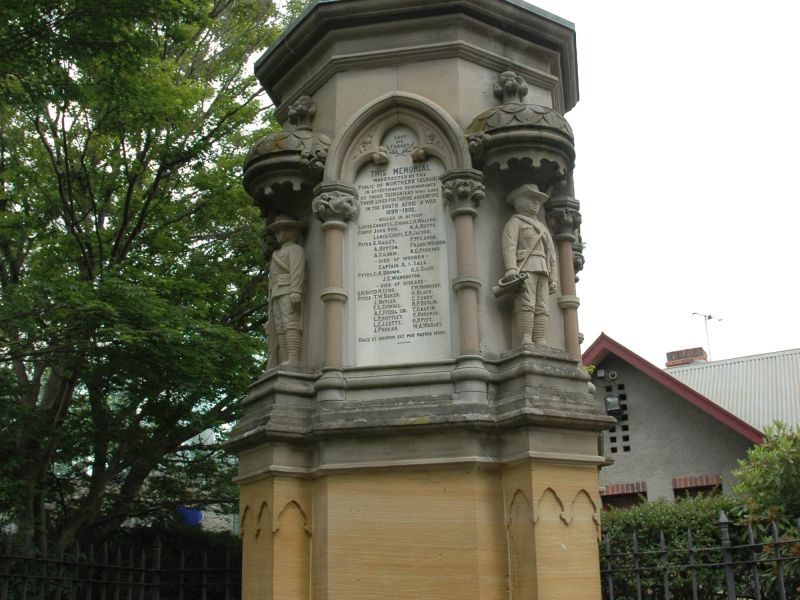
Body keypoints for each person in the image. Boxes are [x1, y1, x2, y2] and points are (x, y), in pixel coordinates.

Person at [501, 184, 558, 348]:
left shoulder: (542, 227)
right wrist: (510, 268)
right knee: (526, 303)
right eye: (531, 199)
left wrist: (553, 278)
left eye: (538, 200)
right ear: (519, 201)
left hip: (543, 269)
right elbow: (509, 245)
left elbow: (551, 255)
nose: (536, 203)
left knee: (543, 306)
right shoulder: (515, 222)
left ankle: (540, 338)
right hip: (525, 269)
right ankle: (525, 337)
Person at [266, 215, 305, 367]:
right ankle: (284, 358)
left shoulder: (295, 250)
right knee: (280, 326)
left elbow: (297, 271)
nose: (277, 235)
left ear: (290, 233)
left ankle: (293, 358)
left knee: (290, 323)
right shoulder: (278, 253)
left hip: (288, 290)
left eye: (280, 232)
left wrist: (296, 290)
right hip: (276, 292)